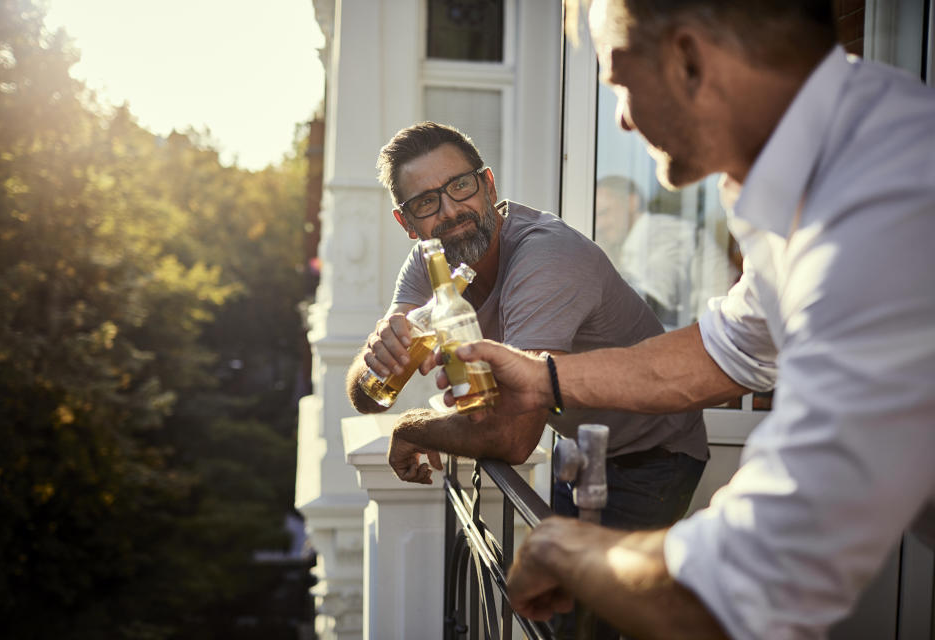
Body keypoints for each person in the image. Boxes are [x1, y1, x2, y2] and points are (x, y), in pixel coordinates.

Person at [439, 0, 935, 637]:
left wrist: (564, 548)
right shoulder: (823, 163)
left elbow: (744, 587)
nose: (618, 117)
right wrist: (542, 377)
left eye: (619, 80)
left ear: (689, 60)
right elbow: (722, 352)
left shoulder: (878, 214)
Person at [345, 121, 708, 535]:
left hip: (651, 452)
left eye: (460, 186)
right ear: (407, 222)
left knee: (591, 594)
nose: (450, 211)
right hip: (577, 446)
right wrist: (376, 354)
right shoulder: (431, 263)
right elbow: (371, 395)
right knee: (556, 588)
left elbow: (513, 438)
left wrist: (415, 428)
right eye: (426, 202)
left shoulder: (546, 257)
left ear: (488, 186)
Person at [594, 174, 737, 329]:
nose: (598, 226)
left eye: (603, 213)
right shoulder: (632, 241)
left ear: (632, 202)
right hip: (705, 332)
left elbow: (647, 307)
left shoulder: (662, 234)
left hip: (721, 334)